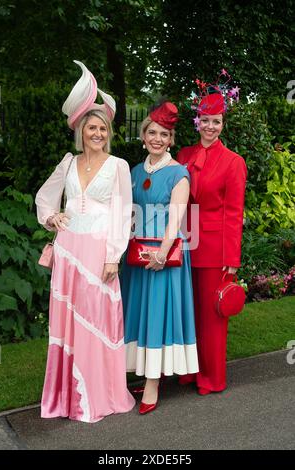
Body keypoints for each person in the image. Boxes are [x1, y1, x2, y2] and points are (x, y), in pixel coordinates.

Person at [35, 60, 135, 422]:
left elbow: (122, 214)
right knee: (67, 322)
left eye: (103, 128)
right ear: (81, 130)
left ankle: (98, 395)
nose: (97, 133)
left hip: (97, 252)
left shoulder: (119, 166)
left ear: (109, 132)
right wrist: (52, 217)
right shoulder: (68, 162)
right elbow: (46, 198)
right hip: (67, 250)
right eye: (92, 127)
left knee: (96, 320)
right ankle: (65, 398)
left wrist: (113, 256)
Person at [120, 101, 199, 415]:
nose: (157, 138)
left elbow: (176, 220)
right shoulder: (135, 171)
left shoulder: (179, 173)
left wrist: (162, 254)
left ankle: (153, 383)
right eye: (151, 132)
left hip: (164, 256)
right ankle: (143, 371)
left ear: (171, 139)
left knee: (157, 314)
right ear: (143, 135)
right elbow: (130, 214)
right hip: (137, 255)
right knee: (139, 312)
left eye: (163, 134)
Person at [177, 73, 247, 395]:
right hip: (184, 243)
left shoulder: (234, 162)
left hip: (215, 248)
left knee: (213, 318)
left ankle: (212, 378)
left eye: (216, 121)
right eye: (205, 120)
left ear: (222, 123)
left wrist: (232, 259)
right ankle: (189, 372)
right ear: (197, 121)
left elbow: (235, 213)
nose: (210, 127)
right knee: (187, 312)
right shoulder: (183, 156)